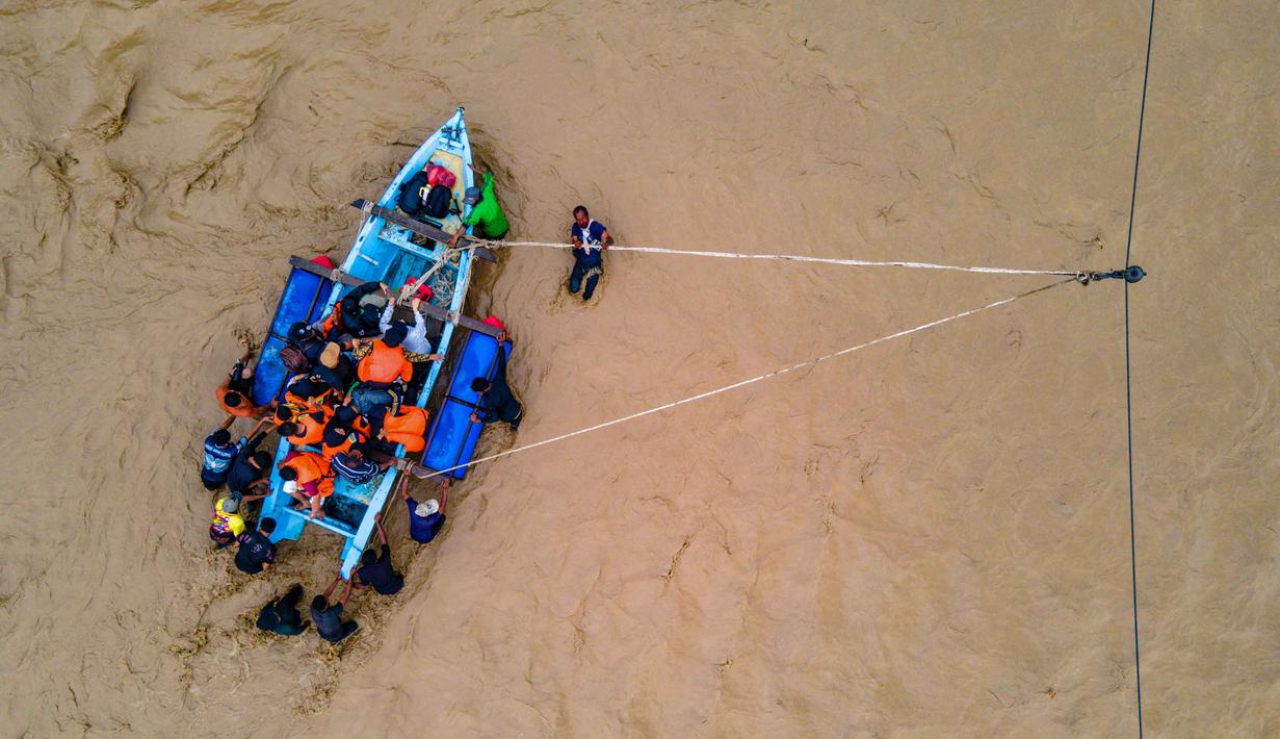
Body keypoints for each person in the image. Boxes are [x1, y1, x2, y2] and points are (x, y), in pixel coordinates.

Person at [469, 333, 521, 431]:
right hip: (518, 409)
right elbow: (502, 362)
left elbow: (494, 418)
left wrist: (479, 420)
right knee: (514, 424)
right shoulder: (499, 379)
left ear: (481, 391)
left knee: (512, 431)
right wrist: (501, 344)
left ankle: (513, 428)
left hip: (510, 417)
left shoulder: (488, 400)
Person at [449, 163, 510, 246]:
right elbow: (489, 177)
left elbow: (466, 224)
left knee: (485, 239)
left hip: (493, 233)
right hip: (504, 226)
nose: (470, 204)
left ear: (476, 199)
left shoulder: (476, 211)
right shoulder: (486, 190)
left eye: (470, 202)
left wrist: (455, 237)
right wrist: (475, 170)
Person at [568, 205, 613, 301]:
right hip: (581, 262)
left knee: (587, 296)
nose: (581, 222)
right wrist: (576, 242)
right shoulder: (575, 226)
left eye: (583, 219)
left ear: (587, 216)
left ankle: (599, 267)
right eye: (578, 220)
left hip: (594, 264)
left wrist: (607, 243)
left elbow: (610, 239)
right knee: (573, 289)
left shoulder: (596, 226)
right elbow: (574, 239)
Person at [354, 515, 404, 595]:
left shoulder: (362, 572)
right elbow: (383, 538)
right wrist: (377, 522)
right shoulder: (385, 559)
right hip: (397, 585)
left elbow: (363, 586)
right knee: (399, 574)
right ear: (376, 558)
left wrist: (350, 583)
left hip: (382, 591)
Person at [278, 451, 335, 519]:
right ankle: (306, 503)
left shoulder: (307, 482)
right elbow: (280, 464)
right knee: (287, 488)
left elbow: (316, 497)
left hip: (324, 474)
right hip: (315, 463)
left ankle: (320, 510)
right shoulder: (291, 457)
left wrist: (313, 513)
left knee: (317, 501)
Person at [216, 352, 271, 421]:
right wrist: (270, 405)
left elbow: (229, 376)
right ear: (238, 406)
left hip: (234, 392)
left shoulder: (220, 391)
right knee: (261, 407)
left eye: (238, 393)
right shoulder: (246, 411)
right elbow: (260, 410)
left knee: (246, 371)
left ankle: (248, 355)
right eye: (241, 401)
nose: (239, 393)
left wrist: (243, 360)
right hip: (249, 401)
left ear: (232, 391)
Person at [311, 574, 359, 645]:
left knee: (337, 620)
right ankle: (338, 640)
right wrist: (351, 576)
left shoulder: (313, 608)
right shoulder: (332, 613)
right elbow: (346, 595)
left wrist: (337, 580)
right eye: (326, 599)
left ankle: (336, 632)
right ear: (326, 606)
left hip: (322, 632)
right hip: (334, 635)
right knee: (353, 625)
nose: (326, 596)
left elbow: (326, 593)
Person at [402, 478, 447, 544]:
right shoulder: (430, 521)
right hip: (426, 538)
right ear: (429, 514)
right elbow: (442, 508)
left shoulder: (413, 508)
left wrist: (406, 477)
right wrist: (445, 489)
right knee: (442, 517)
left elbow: (404, 493)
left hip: (413, 534)